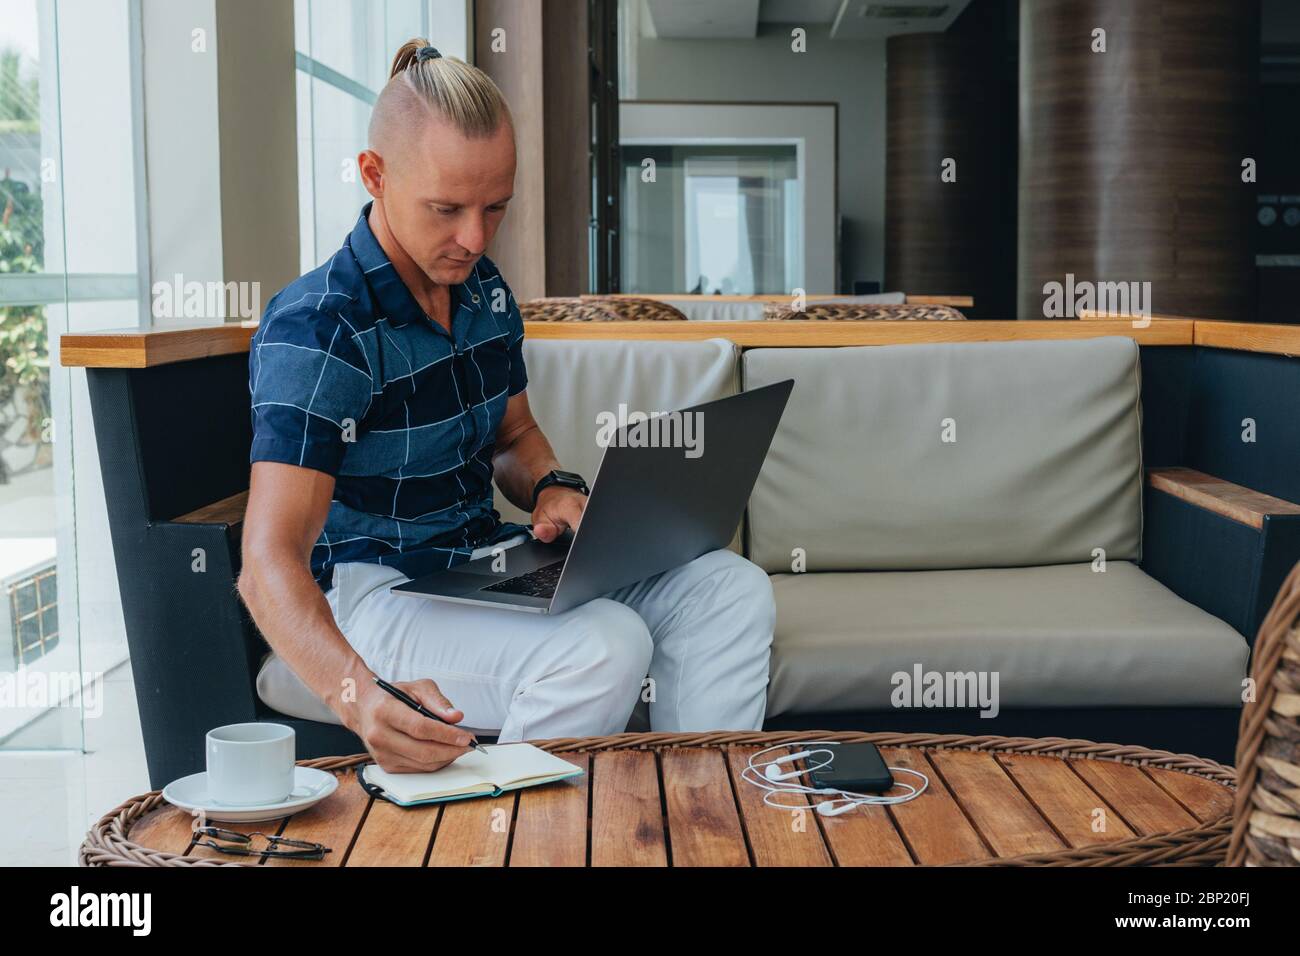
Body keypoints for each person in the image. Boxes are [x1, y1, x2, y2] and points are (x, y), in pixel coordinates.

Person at [237, 39, 776, 773]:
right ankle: (507, 841)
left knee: (730, 589)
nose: (474, 238)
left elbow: (513, 436)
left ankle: (703, 815)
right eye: (447, 208)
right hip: (374, 592)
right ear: (374, 173)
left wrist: (553, 484)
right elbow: (266, 562)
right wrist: (356, 694)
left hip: (482, 561)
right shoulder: (321, 327)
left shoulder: (485, 294)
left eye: (495, 208)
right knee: (609, 643)